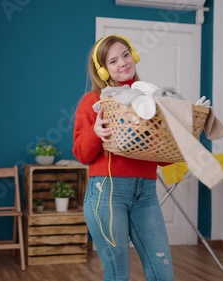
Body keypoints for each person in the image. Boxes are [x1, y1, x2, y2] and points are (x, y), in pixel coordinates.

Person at [73, 35, 174, 281]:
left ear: (134, 56)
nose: (123, 63)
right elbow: (81, 153)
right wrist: (96, 133)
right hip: (106, 193)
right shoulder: (94, 101)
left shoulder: (151, 102)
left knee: (163, 271)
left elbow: (164, 160)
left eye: (126, 55)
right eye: (113, 61)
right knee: (119, 274)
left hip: (146, 194)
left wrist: (172, 135)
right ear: (103, 70)